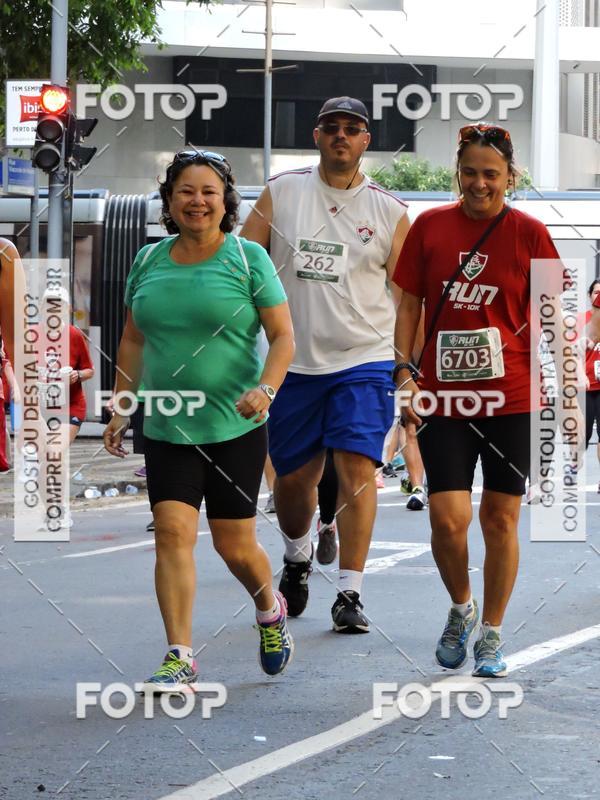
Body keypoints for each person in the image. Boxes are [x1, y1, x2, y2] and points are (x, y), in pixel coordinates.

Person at [103, 149, 296, 689]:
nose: (197, 201)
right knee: (171, 532)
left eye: (209, 191)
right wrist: (122, 404)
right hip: (168, 424)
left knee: (233, 545)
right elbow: (133, 338)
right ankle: (180, 655)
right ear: (169, 200)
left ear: (225, 201)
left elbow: (283, 336)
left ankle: (270, 607)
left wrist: (266, 389)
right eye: (185, 191)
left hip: (235, 426)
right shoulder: (148, 260)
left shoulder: (247, 259)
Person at [393, 123, 562, 677]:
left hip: (512, 399)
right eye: (470, 172)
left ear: (510, 177)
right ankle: (461, 607)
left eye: (491, 174)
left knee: (500, 518)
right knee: (447, 519)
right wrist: (404, 373)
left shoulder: (531, 233)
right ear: (458, 173)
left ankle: (491, 632)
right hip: (444, 400)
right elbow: (409, 306)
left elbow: (551, 318)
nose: (479, 183)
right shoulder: (430, 227)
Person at [241, 97, 410, 632]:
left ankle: (351, 593)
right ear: (316, 136)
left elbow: (408, 297)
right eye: (331, 127)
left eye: (352, 129)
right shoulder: (282, 191)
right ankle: (297, 557)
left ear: (366, 141)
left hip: (365, 359)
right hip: (293, 363)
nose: (341, 136)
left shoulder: (389, 210)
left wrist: (405, 367)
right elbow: (241, 265)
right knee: (294, 482)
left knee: (357, 468)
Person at [584, 280, 600, 491]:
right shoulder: (582, 320)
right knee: (582, 435)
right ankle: (572, 468)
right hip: (585, 386)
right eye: (596, 292)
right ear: (590, 296)